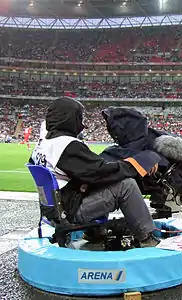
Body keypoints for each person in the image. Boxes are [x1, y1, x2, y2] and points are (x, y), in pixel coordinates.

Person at [30, 97, 160, 248]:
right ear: (69, 118)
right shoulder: (67, 145)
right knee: (126, 186)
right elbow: (102, 173)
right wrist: (138, 163)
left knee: (97, 184)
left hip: (53, 211)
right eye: (79, 118)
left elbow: (89, 171)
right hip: (71, 212)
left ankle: (94, 233)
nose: (82, 125)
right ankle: (146, 237)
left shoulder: (42, 144)